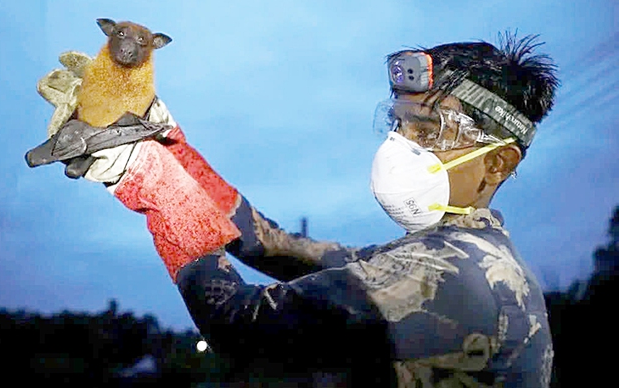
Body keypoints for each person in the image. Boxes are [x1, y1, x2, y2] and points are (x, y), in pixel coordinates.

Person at [29, 32, 559, 387]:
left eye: (428, 131)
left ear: (498, 163)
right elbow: (274, 247)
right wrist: (169, 143)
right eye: (399, 124)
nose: (401, 144)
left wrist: (149, 180)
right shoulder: (458, 255)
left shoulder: (453, 274)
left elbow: (241, 328)